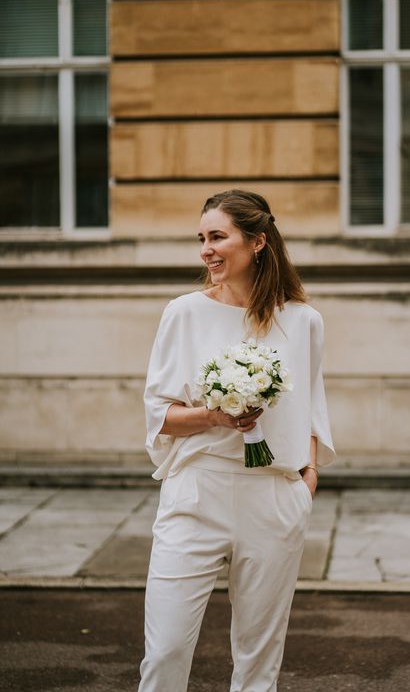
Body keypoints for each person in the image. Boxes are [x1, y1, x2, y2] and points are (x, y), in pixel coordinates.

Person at [138, 188, 337, 692]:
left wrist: (303, 482)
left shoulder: (304, 321)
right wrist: (216, 416)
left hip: (273, 498)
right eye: (201, 238)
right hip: (196, 493)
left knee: (258, 660)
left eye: (218, 236)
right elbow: (160, 415)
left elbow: (311, 410)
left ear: (257, 242)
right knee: (164, 653)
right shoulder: (183, 312)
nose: (206, 249)